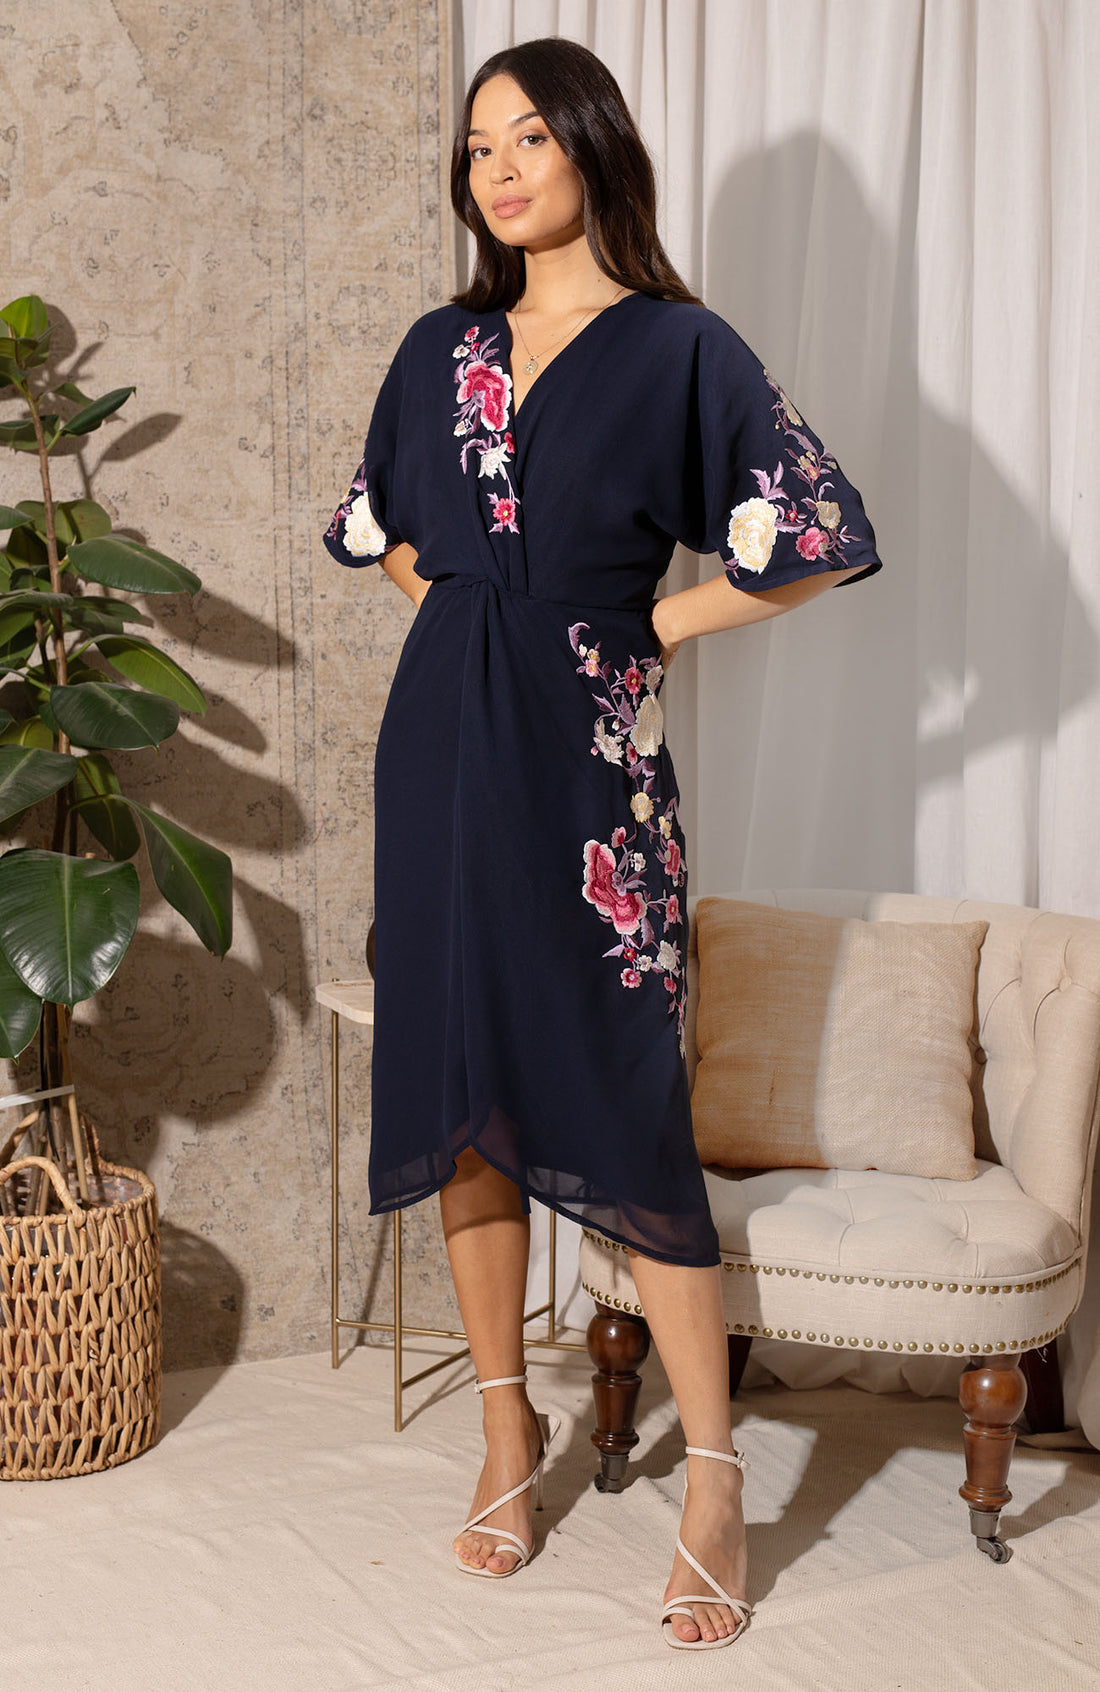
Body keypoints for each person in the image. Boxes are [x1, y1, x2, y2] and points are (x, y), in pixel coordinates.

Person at [324, 36, 882, 1652]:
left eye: (526, 138)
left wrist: (657, 623)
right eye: (475, 145)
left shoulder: (681, 349)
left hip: (587, 770)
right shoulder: (440, 347)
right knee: (464, 1099)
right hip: (441, 754)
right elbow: (380, 527)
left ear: (590, 148)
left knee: (631, 1110)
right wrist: (464, 608)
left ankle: (714, 1476)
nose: (496, 169)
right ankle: (509, 1433)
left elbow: (816, 531)